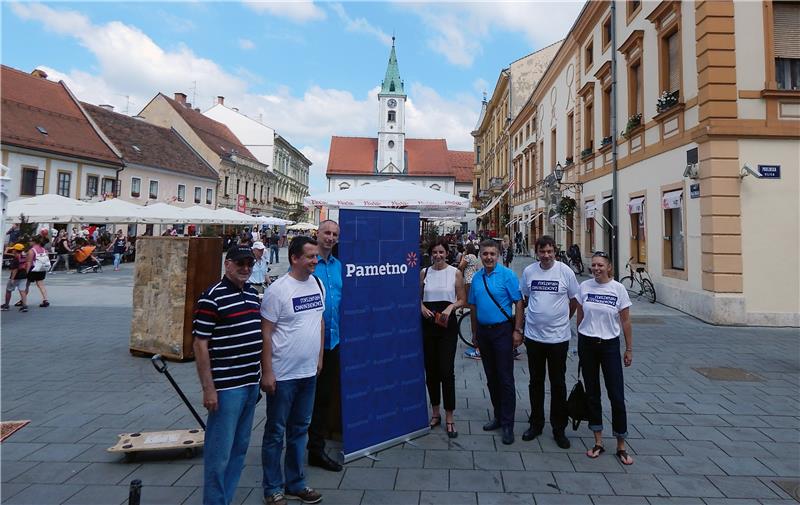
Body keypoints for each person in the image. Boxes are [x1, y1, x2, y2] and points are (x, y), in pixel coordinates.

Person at [193, 245, 263, 505]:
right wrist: (208, 388)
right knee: (219, 452)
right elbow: (200, 344)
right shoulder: (212, 297)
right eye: (240, 263)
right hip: (227, 387)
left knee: (239, 449)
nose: (246, 268)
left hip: (250, 383)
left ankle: (226, 498)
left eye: (249, 263)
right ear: (227, 264)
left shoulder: (252, 294)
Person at [260, 236, 325, 505]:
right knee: (275, 432)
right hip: (283, 374)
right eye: (310, 256)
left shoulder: (317, 283)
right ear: (294, 258)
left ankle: (296, 483)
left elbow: (319, 322)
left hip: (308, 372)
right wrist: (267, 371)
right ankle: (272, 487)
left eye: (316, 256)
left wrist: (320, 358)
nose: (315, 261)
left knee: (300, 430)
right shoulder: (278, 290)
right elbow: (266, 333)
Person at [519, 235, 579, 449]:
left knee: (558, 383)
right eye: (542, 251)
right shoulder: (529, 272)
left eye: (550, 251)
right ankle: (536, 423)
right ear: (537, 252)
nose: (546, 255)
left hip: (558, 338)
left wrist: (563, 318)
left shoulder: (565, 272)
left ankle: (559, 427)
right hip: (534, 337)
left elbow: (574, 300)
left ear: (555, 251)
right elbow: (524, 299)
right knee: (535, 382)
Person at [577, 251, 634, 466]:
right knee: (592, 394)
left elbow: (626, 321)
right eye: (594, 265)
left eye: (600, 265)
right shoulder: (584, 287)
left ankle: (621, 444)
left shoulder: (618, 289)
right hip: (588, 344)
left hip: (610, 345)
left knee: (616, 395)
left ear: (609, 267)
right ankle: (598, 441)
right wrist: (580, 342)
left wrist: (628, 349)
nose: (596, 269)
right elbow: (580, 317)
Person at [468, 239, 523, 445]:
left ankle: (508, 423)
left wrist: (517, 330)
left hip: (502, 331)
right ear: (480, 255)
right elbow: (473, 306)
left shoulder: (507, 275)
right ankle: (498, 417)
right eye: (485, 254)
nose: (488, 257)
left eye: (492, 254)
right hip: (484, 332)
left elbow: (519, 302)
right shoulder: (476, 278)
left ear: (498, 255)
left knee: (505, 378)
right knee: (491, 377)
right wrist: (474, 333)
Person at [306, 220, 344, 472]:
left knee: (323, 398)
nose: (330, 237)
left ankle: (315, 450)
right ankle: (300, 446)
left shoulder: (339, 266)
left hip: (333, 341)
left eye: (334, 234)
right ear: (317, 235)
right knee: (304, 399)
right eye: (326, 233)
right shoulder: (309, 264)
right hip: (309, 343)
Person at [420, 238, 466, 438]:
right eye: (435, 252)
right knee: (431, 370)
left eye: (441, 252)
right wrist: (421, 307)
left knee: (446, 370)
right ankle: (435, 413)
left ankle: (449, 417)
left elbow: (462, 299)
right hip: (428, 324)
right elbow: (416, 297)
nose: (438, 255)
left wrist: (451, 306)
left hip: (447, 325)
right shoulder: (424, 272)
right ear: (431, 254)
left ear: (447, 253)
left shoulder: (455, 273)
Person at [459, 243, 482, 360]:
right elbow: (477, 269)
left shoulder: (468, 257)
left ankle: (463, 308)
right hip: (475, 279)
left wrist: (463, 255)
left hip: (468, 280)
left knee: (468, 300)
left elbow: (460, 267)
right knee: (471, 301)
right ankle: (464, 308)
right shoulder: (476, 258)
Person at [25, 235, 50, 308]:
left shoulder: (32, 250)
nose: (29, 242)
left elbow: (29, 262)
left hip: (33, 269)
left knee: (26, 284)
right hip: (41, 269)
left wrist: (26, 272)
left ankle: (23, 300)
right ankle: (45, 300)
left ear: (34, 242)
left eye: (30, 241)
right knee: (41, 284)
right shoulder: (44, 250)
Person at [2, 244, 29, 312]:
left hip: (16, 276)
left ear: (15, 250)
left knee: (8, 290)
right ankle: (24, 306)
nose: (12, 250)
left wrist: (12, 279)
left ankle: (6, 305)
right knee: (22, 290)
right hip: (24, 275)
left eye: (13, 249)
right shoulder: (24, 255)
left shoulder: (16, 258)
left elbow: (15, 269)